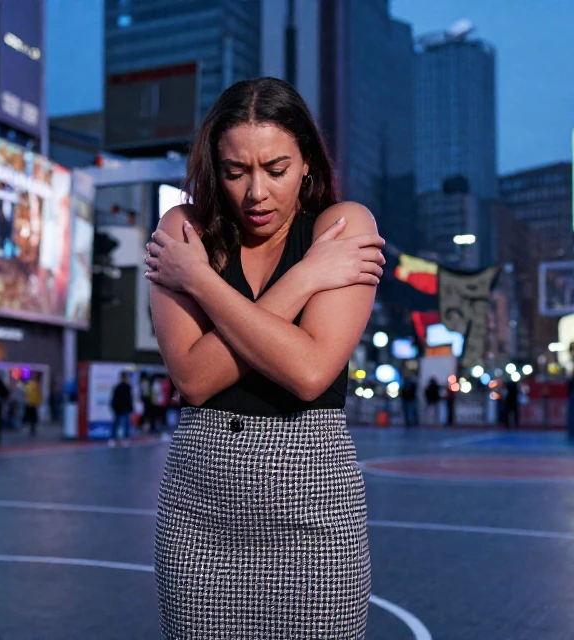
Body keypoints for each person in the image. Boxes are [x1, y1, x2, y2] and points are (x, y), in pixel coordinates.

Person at [146, 77, 386, 638]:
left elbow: (308, 372)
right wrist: (303, 279)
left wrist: (202, 283)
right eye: (236, 172)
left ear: (306, 161)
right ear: (214, 166)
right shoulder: (183, 230)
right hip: (200, 520)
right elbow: (194, 378)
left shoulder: (341, 226)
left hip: (315, 522)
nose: (256, 192)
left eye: (275, 169)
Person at [110, 371, 134, 447]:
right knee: (120, 424)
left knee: (122, 424)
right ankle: (116, 439)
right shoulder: (122, 387)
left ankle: (119, 439)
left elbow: (129, 399)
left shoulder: (126, 387)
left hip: (122, 408)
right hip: (120, 408)